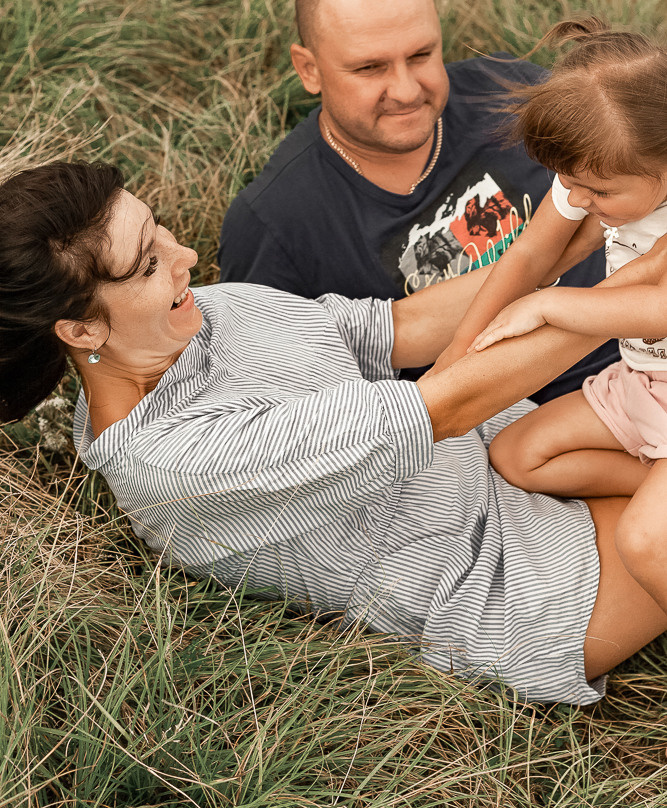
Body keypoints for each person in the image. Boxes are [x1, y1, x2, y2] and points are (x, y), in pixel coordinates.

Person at [3, 160, 666, 706]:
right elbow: (443, 407)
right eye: (148, 265)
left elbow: (397, 328)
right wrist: (632, 290)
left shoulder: (203, 313)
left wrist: (571, 233)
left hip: (515, 454)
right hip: (511, 581)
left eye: (160, 233)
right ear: (82, 330)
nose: (186, 256)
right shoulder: (172, 463)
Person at [217, 0, 617, 402]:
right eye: (370, 68)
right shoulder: (274, 223)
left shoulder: (510, 92)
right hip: (523, 435)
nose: (406, 90)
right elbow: (264, 391)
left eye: (422, 55)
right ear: (309, 69)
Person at [440, 18, 667, 615]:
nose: (581, 202)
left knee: (644, 543)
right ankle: (653, 480)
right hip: (642, 384)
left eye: (598, 192)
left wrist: (547, 303)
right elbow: (530, 254)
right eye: (570, 184)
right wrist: (454, 357)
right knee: (517, 457)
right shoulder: (595, 171)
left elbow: (659, 308)